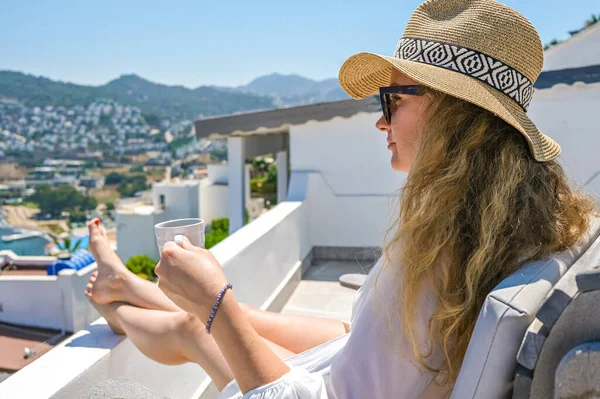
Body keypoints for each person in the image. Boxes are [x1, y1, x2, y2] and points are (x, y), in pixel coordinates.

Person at [85, 0, 598, 397]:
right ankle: (124, 283)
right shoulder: (514, 229)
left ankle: (118, 303)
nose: (380, 119)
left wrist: (215, 304)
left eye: (392, 100)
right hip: (378, 362)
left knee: (195, 325)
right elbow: (382, 344)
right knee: (215, 315)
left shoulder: (441, 253)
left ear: (451, 114)